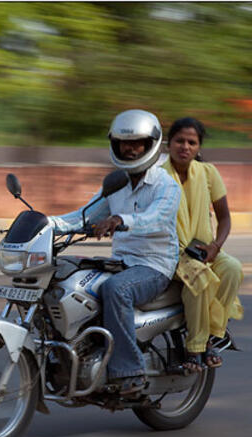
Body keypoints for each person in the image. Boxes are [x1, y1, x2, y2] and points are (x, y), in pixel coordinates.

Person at [50, 110, 181, 395]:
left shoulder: (166, 186)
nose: (130, 148)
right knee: (61, 275)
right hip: (121, 262)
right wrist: (45, 224)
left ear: (151, 145)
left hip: (154, 266)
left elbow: (156, 218)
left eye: (138, 143)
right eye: (124, 143)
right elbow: (83, 216)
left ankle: (129, 372)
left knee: (115, 290)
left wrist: (121, 220)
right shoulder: (116, 183)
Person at [161, 117, 244, 372]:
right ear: (168, 144)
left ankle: (212, 335)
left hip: (203, 249)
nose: (185, 146)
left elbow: (225, 218)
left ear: (198, 147)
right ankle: (194, 348)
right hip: (170, 253)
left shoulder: (208, 173)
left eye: (191, 142)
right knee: (199, 278)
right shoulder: (158, 177)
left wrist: (215, 247)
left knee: (232, 268)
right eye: (179, 141)